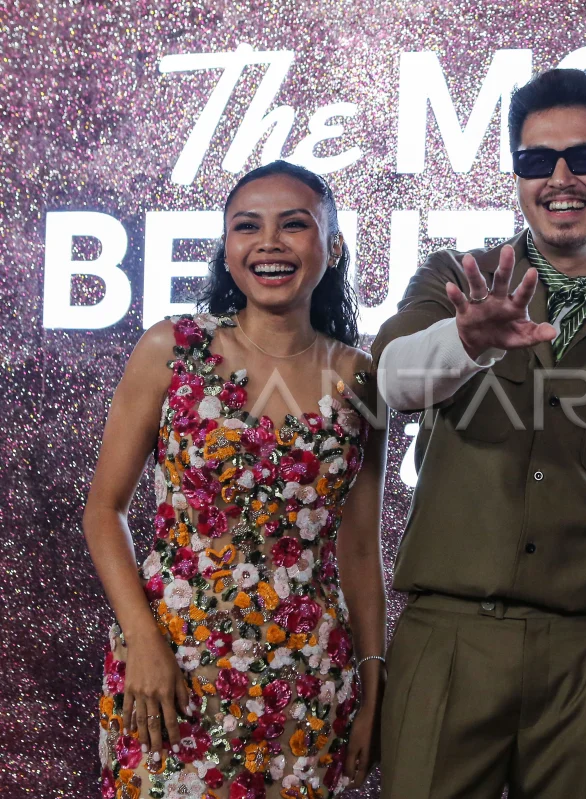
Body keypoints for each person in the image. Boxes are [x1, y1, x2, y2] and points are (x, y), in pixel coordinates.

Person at [370, 68, 586, 799]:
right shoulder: (456, 280)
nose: (561, 178)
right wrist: (468, 340)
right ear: (518, 178)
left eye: (585, 158)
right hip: (450, 642)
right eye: (537, 160)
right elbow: (392, 382)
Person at [85, 160, 388, 799]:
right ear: (227, 249)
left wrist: (371, 686)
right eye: (247, 226)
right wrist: (142, 640)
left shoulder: (360, 378)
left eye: (294, 225)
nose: (269, 243)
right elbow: (104, 510)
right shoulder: (172, 349)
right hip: (169, 670)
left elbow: (361, 548)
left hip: (309, 677)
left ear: (334, 247)